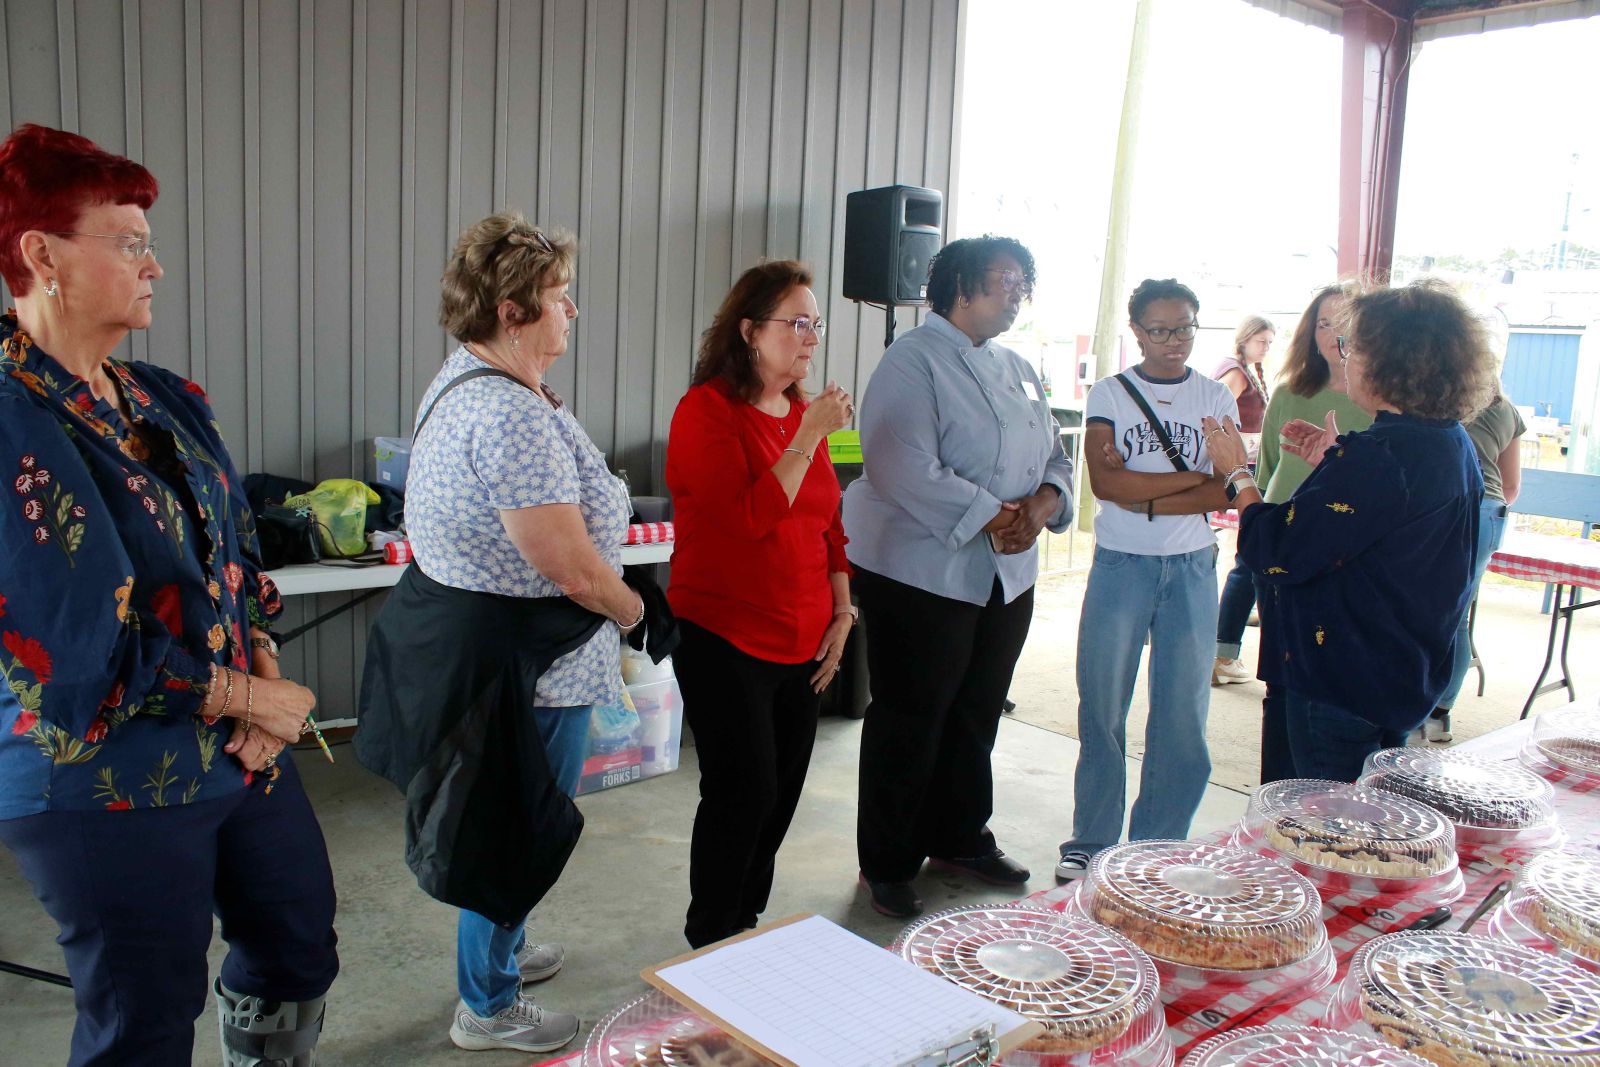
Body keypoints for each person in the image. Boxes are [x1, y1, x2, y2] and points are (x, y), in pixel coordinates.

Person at [0, 123, 337, 1066]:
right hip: (99, 771)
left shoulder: (161, 397)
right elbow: (77, 651)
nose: (154, 265)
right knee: (144, 1018)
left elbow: (236, 554)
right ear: (42, 256)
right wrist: (250, 696)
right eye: (129, 242)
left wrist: (260, 665)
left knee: (298, 945)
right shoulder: (13, 419)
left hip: (232, 742)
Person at [356, 212, 647, 1055]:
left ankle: (505, 952)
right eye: (560, 296)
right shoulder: (508, 414)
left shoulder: (470, 379)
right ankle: (487, 1003)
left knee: (514, 823)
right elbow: (572, 568)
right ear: (513, 311)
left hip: (505, 658)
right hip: (534, 673)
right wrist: (636, 612)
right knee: (512, 831)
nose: (573, 311)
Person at [844, 235, 1073, 919]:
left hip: (1007, 572)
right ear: (960, 285)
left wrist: (1042, 505)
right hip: (921, 572)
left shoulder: (1019, 366)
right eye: (1005, 279)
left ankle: (960, 837)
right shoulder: (911, 361)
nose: (1017, 293)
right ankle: (887, 861)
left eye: (1023, 282)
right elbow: (899, 464)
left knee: (977, 710)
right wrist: (996, 516)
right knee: (911, 717)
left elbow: (1055, 455)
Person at [1207, 279, 1496, 782]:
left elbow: (1275, 551)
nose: (1345, 359)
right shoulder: (1447, 441)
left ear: (1389, 363)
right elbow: (1381, 521)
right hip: (1394, 673)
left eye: (1352, 347)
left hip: (1341, 681)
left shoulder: (1380, 458)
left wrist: (1236, 472)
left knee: (1315, 821)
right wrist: (1335, 461)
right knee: (1357, 813)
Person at [665, 260, 855, 948]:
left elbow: (829, 522)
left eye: (816, 324)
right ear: (748, 331)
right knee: (741, 791)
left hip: (805, 634)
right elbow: (749, 517)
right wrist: (807, 437)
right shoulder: (706, 412)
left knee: (778, 795)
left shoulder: (805, 413)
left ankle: (742, 923)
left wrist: (843, 612)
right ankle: (711, 933)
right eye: (796, 322)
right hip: (724, 634)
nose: (811, 338)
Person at [1054, 278, 1237, 882]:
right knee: (1103, 704)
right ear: (1136, 331)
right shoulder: (1109, 393)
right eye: (1159, 330)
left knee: (1183, 711)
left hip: (1191, 566)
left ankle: (1157, 845)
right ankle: (1092, 839)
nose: (1174, 340)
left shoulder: (1216, 395)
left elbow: (1227, 489)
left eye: (1185, 328)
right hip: (1121, 565)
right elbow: (1107, 486)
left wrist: (1147, 493)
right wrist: (1190, 482)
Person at [1249, 284, 1372, 782]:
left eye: (1345, 324)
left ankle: (1313, 795)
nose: (1334, 335)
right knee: (1279, 679)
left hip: (1339, 555)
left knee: (1322, 682)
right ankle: (1274, 796)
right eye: (1323, 323)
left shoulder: (1381, 404)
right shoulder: (1288, 393)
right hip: (1281, 544)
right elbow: (1268, 472)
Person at [1422, 387, 1525, 742]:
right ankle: (1440, 712)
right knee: (1457, 616)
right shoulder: (1507, 410)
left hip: (1451, 504)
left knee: (1427, 610)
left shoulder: (1440, 395)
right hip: (1491, 512)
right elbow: (1511, 485)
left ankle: (1420, 706)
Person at [1211, 314, 1274, 685]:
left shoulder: (1250, 372)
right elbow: (1214, 416)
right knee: (1247, 561)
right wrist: (1230, 456)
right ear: (1246, 339)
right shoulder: (1235, 373)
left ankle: (1223, 651)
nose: (1266, 348)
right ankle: (1221, 652)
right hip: (1240, 470)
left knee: (1246, 559)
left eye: (1270, 342)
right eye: (1262, 341)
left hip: (1247, 467)